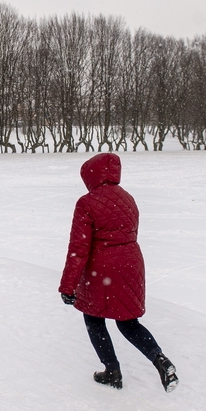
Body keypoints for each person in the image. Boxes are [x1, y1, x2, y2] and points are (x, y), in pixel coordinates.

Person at [58, 152, 178, 392]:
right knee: (128, 322)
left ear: (90, 176)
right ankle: (159, 358)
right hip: (131, 265)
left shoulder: (87, 202)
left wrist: (67, 286)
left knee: (93, 318)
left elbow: (78, 248)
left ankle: (112, 371)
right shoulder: (128, 198)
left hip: (102, 269)